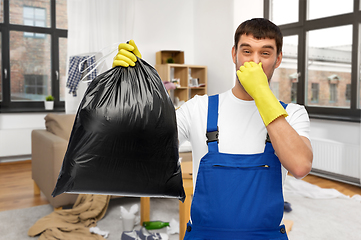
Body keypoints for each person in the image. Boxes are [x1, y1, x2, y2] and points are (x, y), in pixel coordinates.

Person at [113, 18, 313, 240]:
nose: (255, 62)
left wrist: (262, 95)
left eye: (265, 53)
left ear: (278, 59)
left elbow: (300, 166)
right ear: (234, 54)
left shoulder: (293, 114)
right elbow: (142, 148)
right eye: (247, 51)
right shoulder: (198, 108)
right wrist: (131, 89)